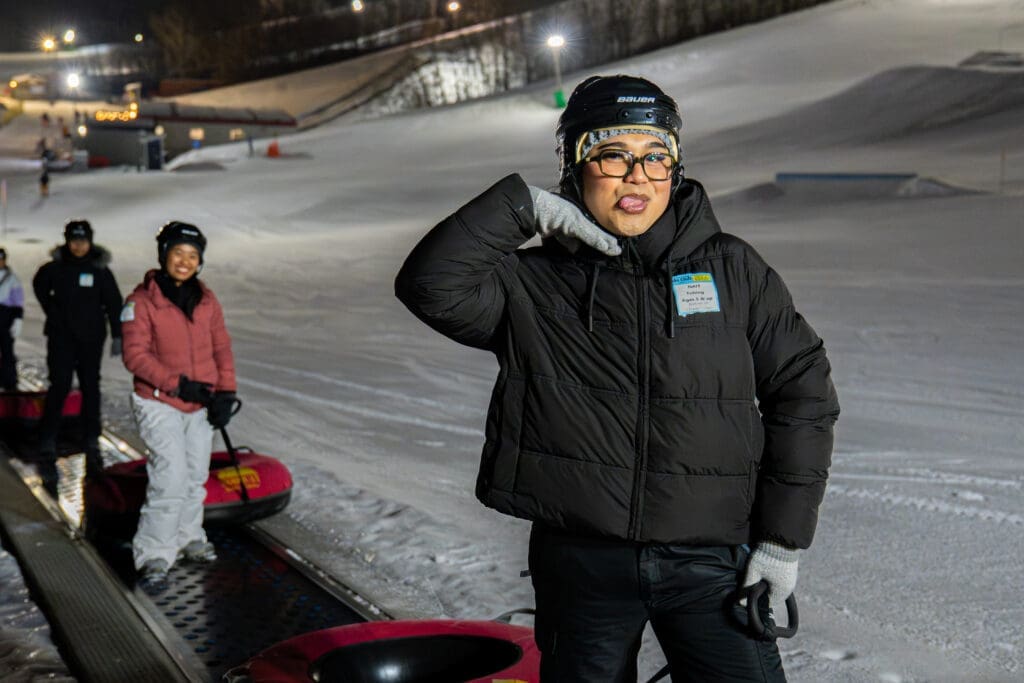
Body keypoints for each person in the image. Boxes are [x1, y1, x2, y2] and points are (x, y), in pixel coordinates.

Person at [395, 75, 840, 681]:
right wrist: (520, 208)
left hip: (711, 562)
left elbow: (804, 394)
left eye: (656, 156)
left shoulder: (733, 269)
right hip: (581, 564)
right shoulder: (530, 281)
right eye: (613, 155)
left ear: (675, 169)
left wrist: (781, 541)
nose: (638, 176)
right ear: (576, 164)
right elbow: (429, 285)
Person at [121, 221, 237, 590]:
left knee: (194, 475)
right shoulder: (140, 302)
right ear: (164, 255)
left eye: (192, 255)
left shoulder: (206, 299)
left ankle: (188, 536)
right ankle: (154, 550)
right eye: (178, 253)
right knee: (169, 477)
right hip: (159, 401)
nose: (185, 262)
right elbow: (135, 356)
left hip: (200, 401)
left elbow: (221, 347)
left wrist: (225, 393)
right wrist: (178, 385)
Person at [33, 220, 123, 472]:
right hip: (61, 338)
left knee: (90, 386)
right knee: (59, 385)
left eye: (83, 241)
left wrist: (118, 334)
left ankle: (91, 437)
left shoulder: (99, 270)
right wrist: (51, 310)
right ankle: (48, 437)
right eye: (74, 240)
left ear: (90, 241)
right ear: (67, 241)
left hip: (91, 339)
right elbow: (39, 284)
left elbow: (114, 302)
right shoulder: (55, 268)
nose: (79, 246)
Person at [0, 247, 25, 391]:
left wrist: (17, 319)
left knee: (7, 350)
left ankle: (9, 381)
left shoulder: (12, 279)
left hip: (5, 317)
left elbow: (18, 301)